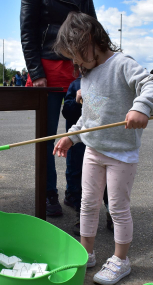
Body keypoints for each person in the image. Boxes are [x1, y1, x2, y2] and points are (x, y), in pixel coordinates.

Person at [53, 12, 153, 285]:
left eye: (76, 54)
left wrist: (140, 107)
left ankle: (120, 260)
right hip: (93, 151)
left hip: (121, 154)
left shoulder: (122, 63)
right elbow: (90, 116)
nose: (75, 62)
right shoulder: (87, 74)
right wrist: (72, 136)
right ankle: (86, 252)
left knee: (117, 207)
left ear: (90, 39)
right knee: (87, 204)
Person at [20, 0, 98, 216]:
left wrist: (94, 70)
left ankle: (75, 192)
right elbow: (28, 32)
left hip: (79, 66)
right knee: (46, 138)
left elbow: (93, 28)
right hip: (47, 68)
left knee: (80, 136)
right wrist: (36, 73)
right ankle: (48, 193)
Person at [62, 76, 111, 235]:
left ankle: (111, 212)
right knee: (76, 175)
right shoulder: (75, 84)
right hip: (78, 144)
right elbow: (67, 112)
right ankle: (80, 212)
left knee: (106, 178)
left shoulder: (107, 84)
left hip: (101, 142)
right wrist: (77, 100)